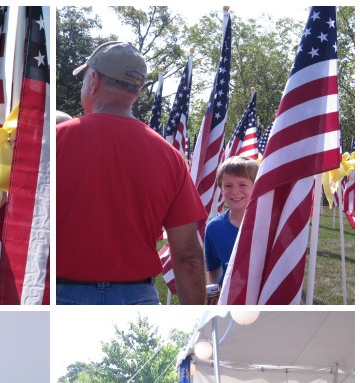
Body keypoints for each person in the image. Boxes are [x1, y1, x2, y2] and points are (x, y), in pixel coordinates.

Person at [56, 41, 206, 305]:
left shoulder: (55, 141)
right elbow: (188, 257)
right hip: (138, 299)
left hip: (63, 296)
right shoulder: (170, 156)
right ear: (136, 91)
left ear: (93, 79)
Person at [205, 157, 258, 288]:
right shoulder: (214, 228)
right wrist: (213, 293)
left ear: (256, 186)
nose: (235, 192)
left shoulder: (270, 225)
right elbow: (213, 270)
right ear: (221, 189)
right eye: (228, 186)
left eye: (243, 184)